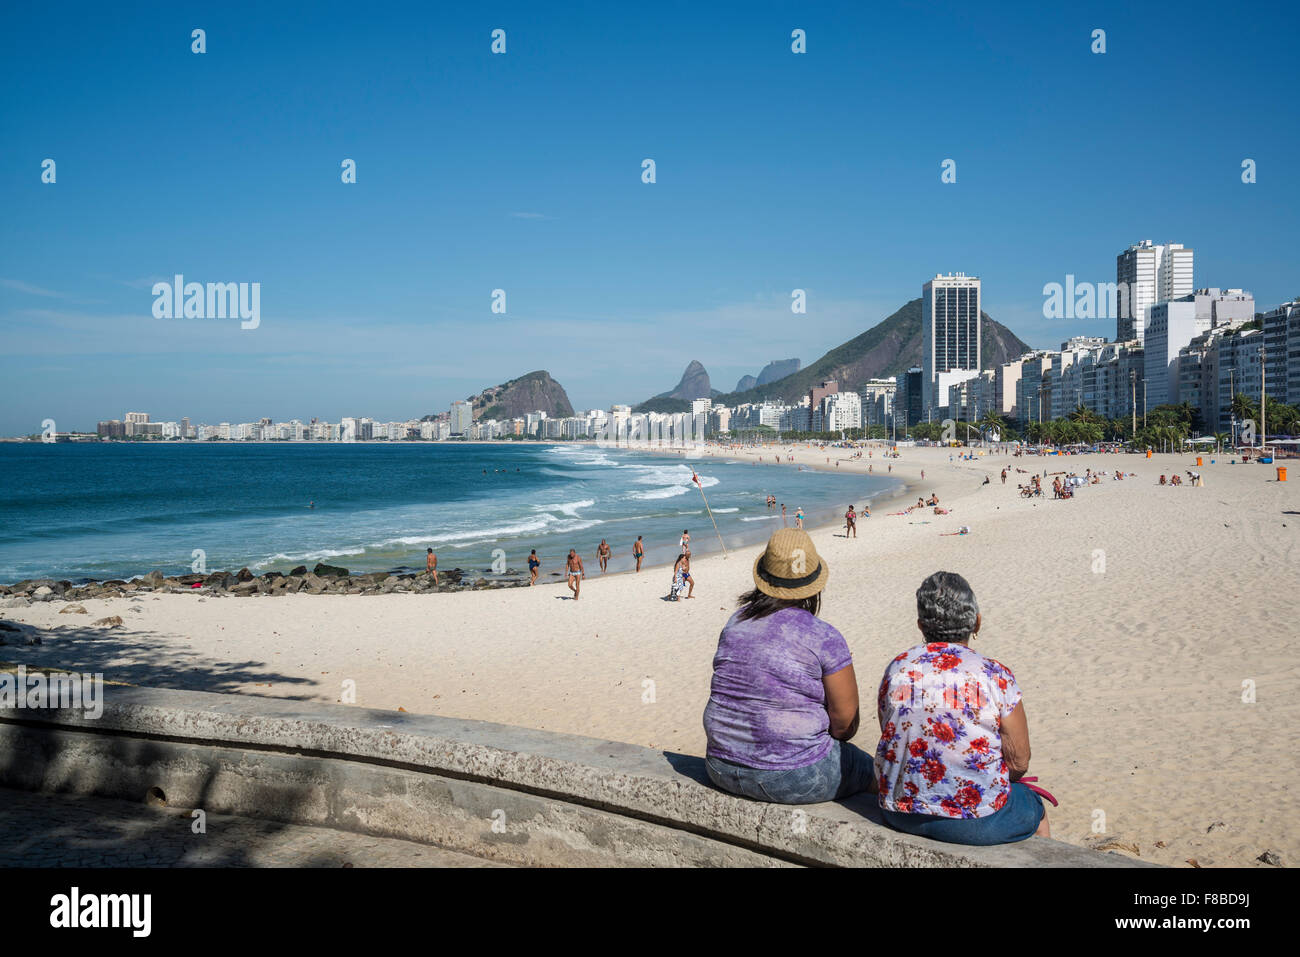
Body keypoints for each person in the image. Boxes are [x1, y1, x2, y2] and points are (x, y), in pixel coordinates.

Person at [873, 571, 1048, 844]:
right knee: (1035, 806)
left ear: (921, 625)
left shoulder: (898, 667)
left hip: (899, 811)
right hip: (974, 820)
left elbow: (892, 731)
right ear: (976, 624)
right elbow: (1019, 761)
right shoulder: (994, 675)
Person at [702, 528, 876, 804]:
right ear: (814, 582)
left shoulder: (735, 623)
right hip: (790, 776)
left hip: (720, 766)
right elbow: (844, 722)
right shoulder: (824, 636)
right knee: (872, 770)